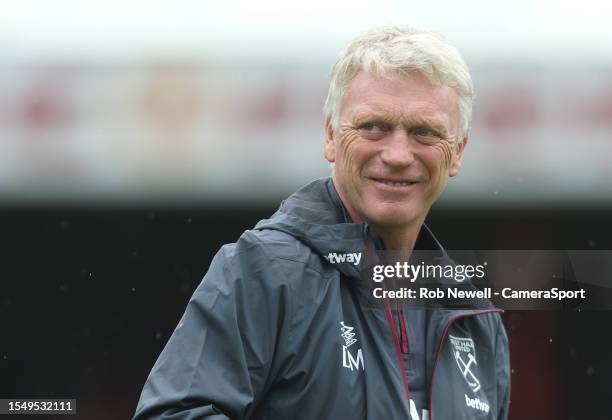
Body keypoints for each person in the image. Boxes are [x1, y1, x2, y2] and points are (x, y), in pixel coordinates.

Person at [133, 25, 510, 420]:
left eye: (424, 132)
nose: (398, 154)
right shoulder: (264, 270)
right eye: (373, 127)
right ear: (331, 136)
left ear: (458, 152)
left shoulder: (476, 321)